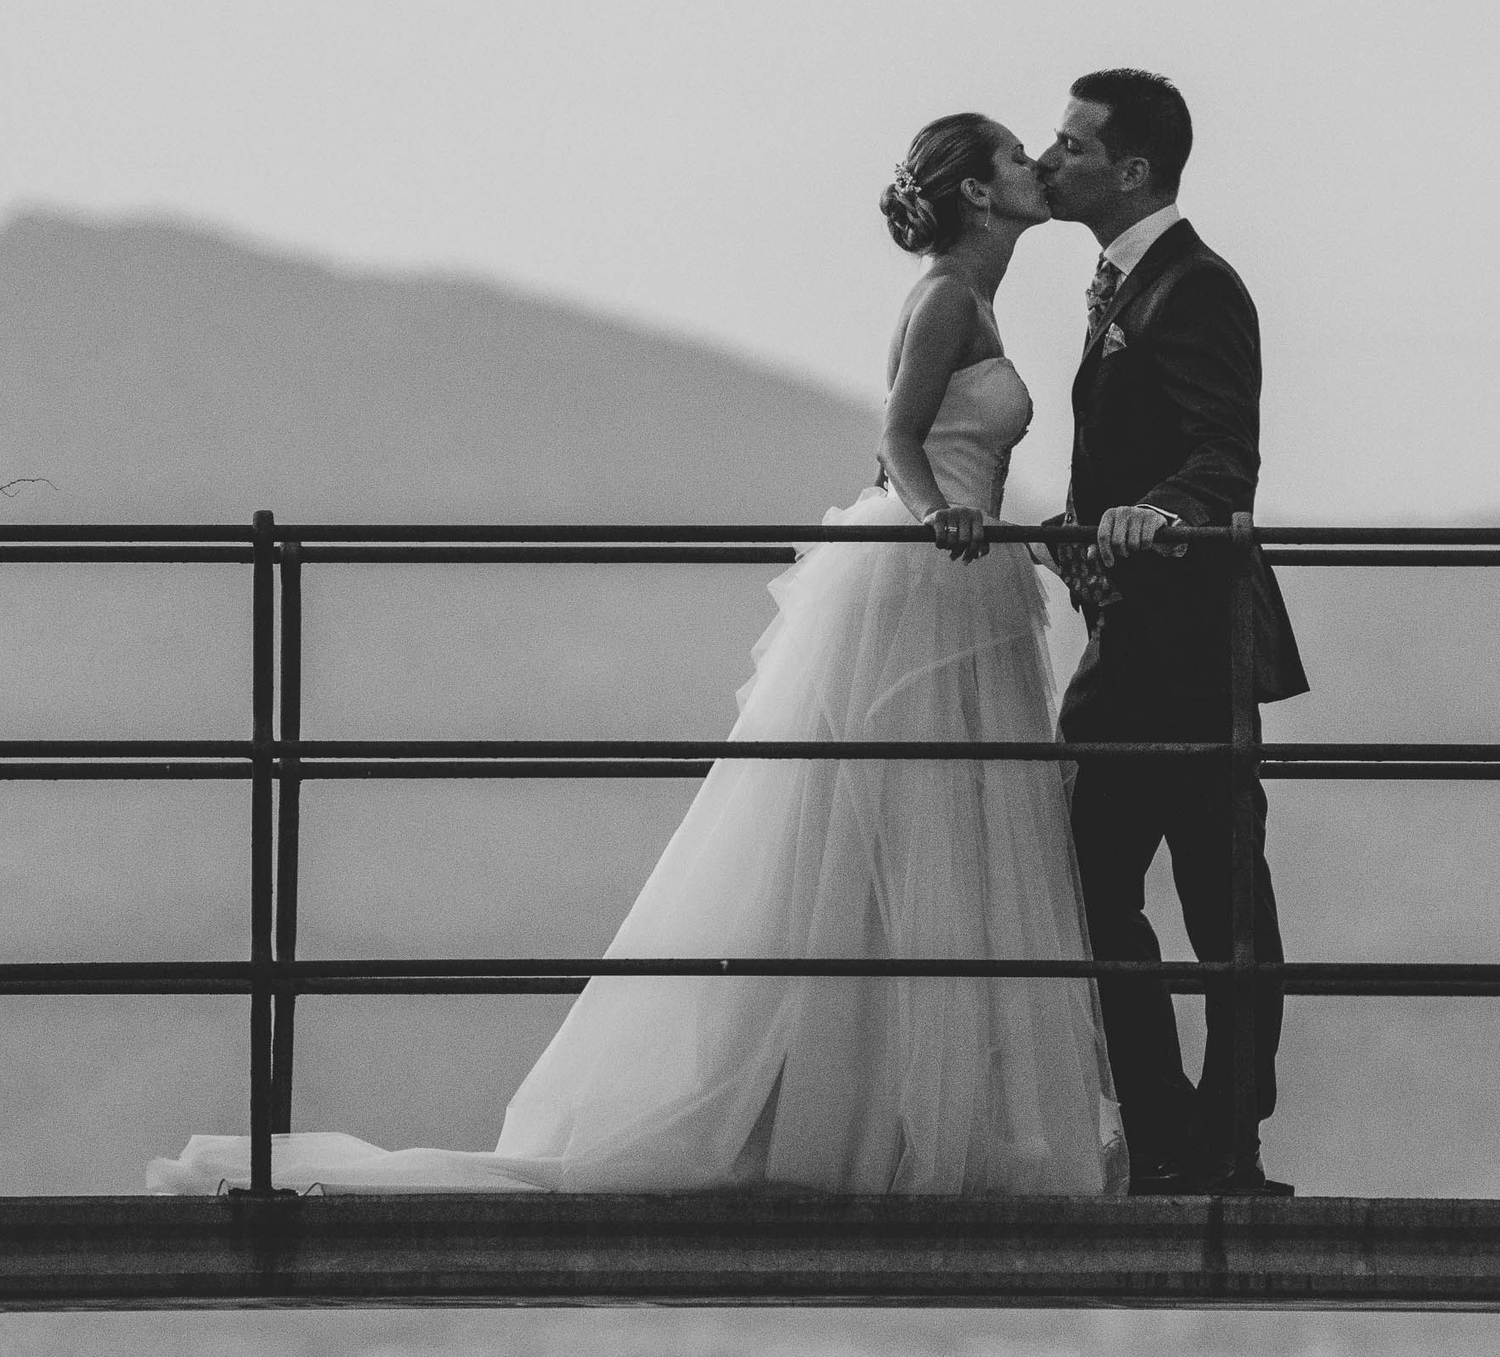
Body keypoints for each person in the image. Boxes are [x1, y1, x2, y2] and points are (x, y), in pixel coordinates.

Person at [148, 113, 1126, 1196]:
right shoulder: (946, 296)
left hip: (968, 580)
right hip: (931, 577)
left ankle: (899, 1115)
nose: (1035, 164)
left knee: (936, 842)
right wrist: (945, 515)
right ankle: (845, 1119)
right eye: (1013, 156)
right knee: (890, 835)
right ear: (980, 193)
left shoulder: (974, 297)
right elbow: (895, 439)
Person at [1038, 68, 1308, 1197]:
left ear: (1131, 169)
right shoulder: (1122, 287)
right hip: (1128, 636)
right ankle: (1165, 1132)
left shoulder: (1195, 287)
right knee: (1094, 886)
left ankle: (1222, 1139)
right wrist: (1078, 530)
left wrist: (1166, 514)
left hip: (1192, 645)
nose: (1049, 162)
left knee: (1219, 900)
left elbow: (1221, 456)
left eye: (1070, 146)